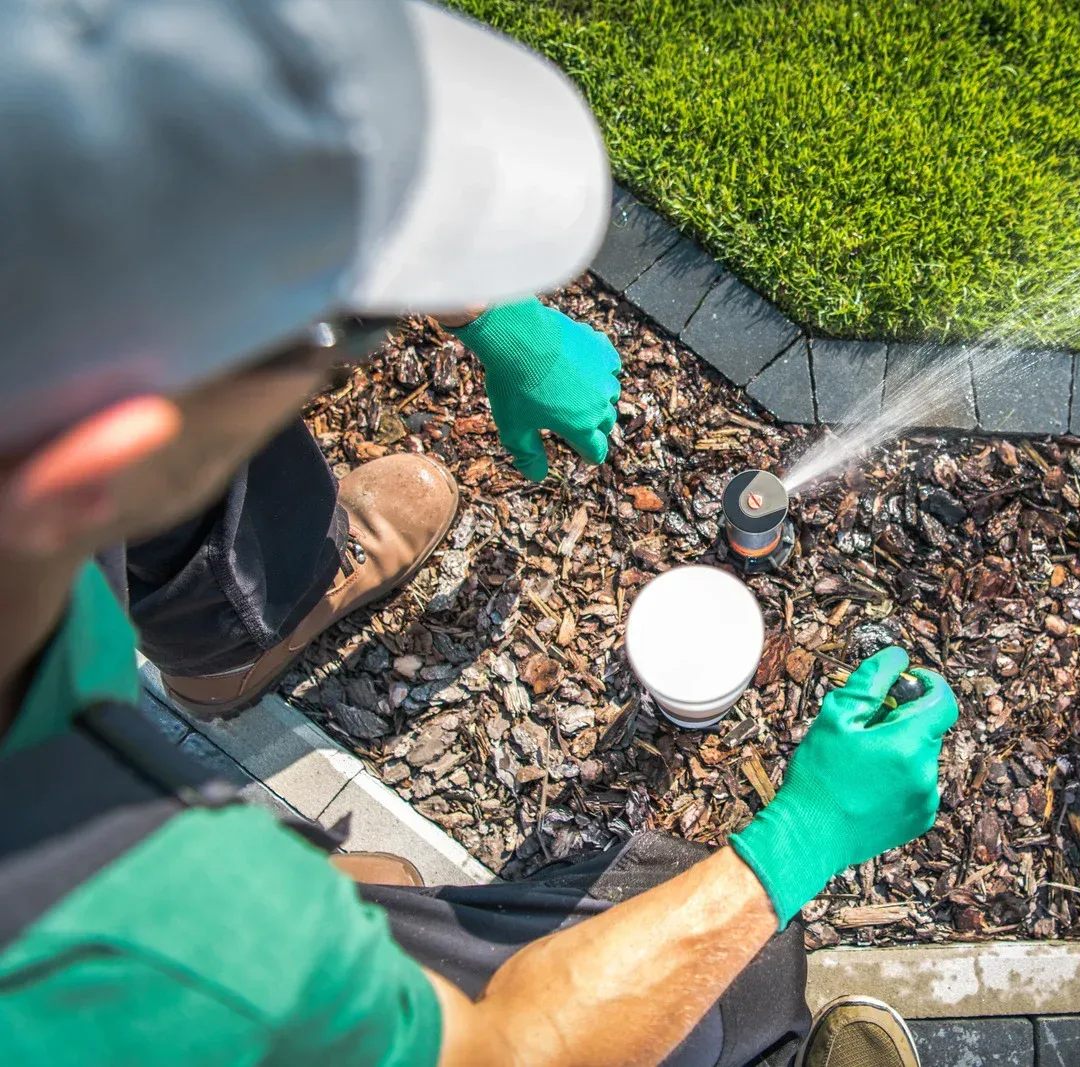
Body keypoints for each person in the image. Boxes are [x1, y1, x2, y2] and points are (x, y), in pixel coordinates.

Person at [0, 3, 960, 1066]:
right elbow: (502, 1052)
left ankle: (242, 639)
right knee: (726, 979)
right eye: (342, 330)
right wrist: (803, 838)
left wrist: (480, 308)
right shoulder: (160, 936)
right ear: (93, 464)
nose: (363, 343)